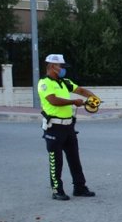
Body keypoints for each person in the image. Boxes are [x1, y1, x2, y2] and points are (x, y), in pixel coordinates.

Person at [38, 54, 97, 201]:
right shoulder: (44, 83)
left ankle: (80, 187)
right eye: (61, 67)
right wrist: (73, 102)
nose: (63, 69)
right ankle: (57, 190)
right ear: (53, 67)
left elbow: (80, 90)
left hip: (69, 127)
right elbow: (53, 100)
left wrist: (93, 97)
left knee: (74, 159)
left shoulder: (64, 82)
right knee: (56, 161)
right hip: (54, 128)